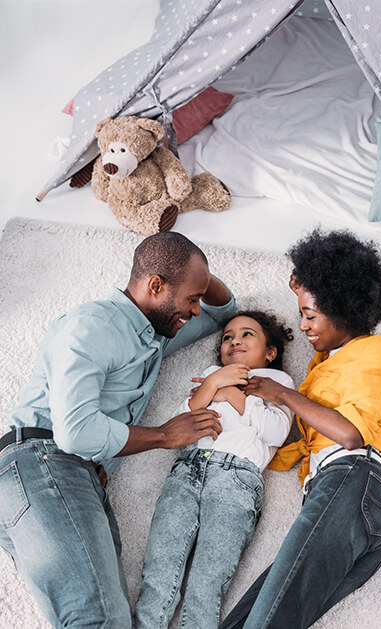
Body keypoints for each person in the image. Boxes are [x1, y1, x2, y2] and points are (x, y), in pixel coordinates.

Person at [0, 232, 237, 629]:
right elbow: (75, 432)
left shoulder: (154, 337)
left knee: (107, 621)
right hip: (41, 463)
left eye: (197, 299)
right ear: (155, 285)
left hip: (64, 477)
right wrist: (163, 436)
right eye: (190, 299)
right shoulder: (93, 325)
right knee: (100, 620)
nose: (196, 310)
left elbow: (224, 311)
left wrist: (196, 272)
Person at [220, 229, 381, 629]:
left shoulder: (380, 351)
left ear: (343, 310)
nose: (303, 325)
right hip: (341, 499)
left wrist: (283, 395)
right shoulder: (321, 366)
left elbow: (350, 434)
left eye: (310, 315)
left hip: (354, 481)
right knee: (248, 620)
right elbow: (302, 439)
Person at [135, 311, 295, 629]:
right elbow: (182, 421)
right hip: (187, 470)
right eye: (227, 337)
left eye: (247, 334)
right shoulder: (212, 374)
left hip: (235, 479)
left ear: (270, 352)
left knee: (207, 581)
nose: (234, 340)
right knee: (159, 570)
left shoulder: (276, 382)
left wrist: (229, 392)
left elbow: (276, 432)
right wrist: (213, 384)